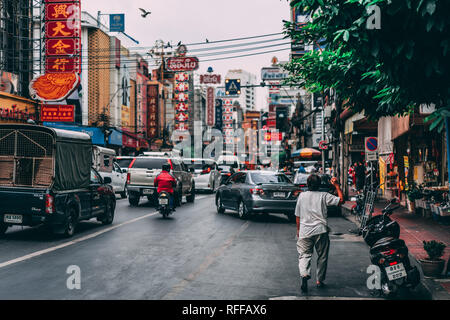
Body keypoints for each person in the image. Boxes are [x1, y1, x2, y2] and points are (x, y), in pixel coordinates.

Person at [295, 174, 344, 293]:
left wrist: (298, 230)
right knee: (322, 256)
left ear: (307, 184)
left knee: (304, 255)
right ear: (319, 184)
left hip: (305, 231)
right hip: (320, 230)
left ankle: (304, 273)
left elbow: (298, 215)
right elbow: (341, 201)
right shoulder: (324, 195)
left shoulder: (302, 196)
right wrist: (337, 186)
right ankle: (319, 280)